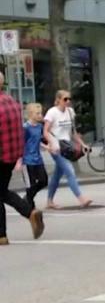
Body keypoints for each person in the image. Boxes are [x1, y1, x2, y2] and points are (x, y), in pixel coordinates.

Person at [0, 73, 44, 245]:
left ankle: (2, 234)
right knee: (1, 191)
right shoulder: (13, 102)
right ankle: (28, 214)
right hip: (11, 155)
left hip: (1, 154)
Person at [43, 89, 91, 209]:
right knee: (69, 170)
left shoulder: (70, 111)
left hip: (66, 146)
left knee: (57, 175)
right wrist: (51, 144)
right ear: (58, 100)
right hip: (57, 147)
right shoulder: (52, 112)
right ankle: (81, 199)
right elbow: (45, 131)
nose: (68, 101)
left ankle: (49, 201)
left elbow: (73, 132)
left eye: (69, 99)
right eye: (65, 99)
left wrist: (82, 144)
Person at [22, 102, 50, 207]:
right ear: (30, 114)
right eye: (37, 113)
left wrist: (47, 147)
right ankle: (30, 204)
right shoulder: (26, 127)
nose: (40, 115)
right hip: (27, 160)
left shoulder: (39, 127)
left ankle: (27, 198)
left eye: (40, 113)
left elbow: (38, 141)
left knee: (44, 181)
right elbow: (22, 143)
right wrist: (20, 160)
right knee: (30, 185)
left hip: (38, 159)